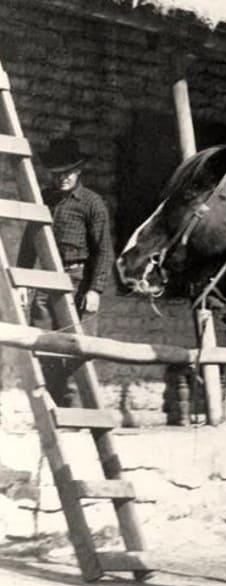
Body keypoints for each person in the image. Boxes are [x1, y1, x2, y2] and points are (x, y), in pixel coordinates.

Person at [18, 136, 114, 407]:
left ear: (78, 171)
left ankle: (75, 410)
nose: (62, 178)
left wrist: (95, 289)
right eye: (57, 173)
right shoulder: (44, 200)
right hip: (47, 279)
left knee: (76, 346)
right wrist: (24, 280)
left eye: (68, 173)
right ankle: (54, 407)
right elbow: (30, 242)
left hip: (78, 281)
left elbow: (103, 250)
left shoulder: (92, 203)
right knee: (43, 340)